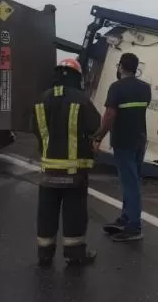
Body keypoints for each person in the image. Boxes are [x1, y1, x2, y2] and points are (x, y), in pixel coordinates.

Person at [32, 58, 101, 267]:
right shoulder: (81, 99)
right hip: (74, 171)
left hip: (48, 169)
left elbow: (35, 129)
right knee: (74, 212)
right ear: (76, 77)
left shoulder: (42, 99)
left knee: (46, 211)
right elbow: (94, 125)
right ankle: (75, 254)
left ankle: (44, 253)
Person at [92, 52, 151, 242]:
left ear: (120, 67)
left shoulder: (116, 88)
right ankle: (126, 218)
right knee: (130, 181)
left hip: (124, 141)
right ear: (135, 68)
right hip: (139, 140)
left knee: (130, 184)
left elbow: (109, 115)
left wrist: (98, 136)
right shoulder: (145, 88)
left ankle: (133, 226)